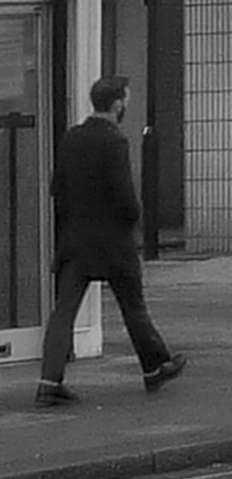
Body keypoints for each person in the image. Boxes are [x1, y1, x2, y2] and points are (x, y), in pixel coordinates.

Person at [36, 75, 187, 407]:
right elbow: (124, 197)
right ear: (118, 103)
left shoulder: (71, 138)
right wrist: (134, 215)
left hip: (75, 240)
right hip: (113, 243)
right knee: (133, 308)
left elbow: (56, 188)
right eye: (126, 100)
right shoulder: (114, 141)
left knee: (63, 313)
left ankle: (49, 381)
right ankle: (155, 367)